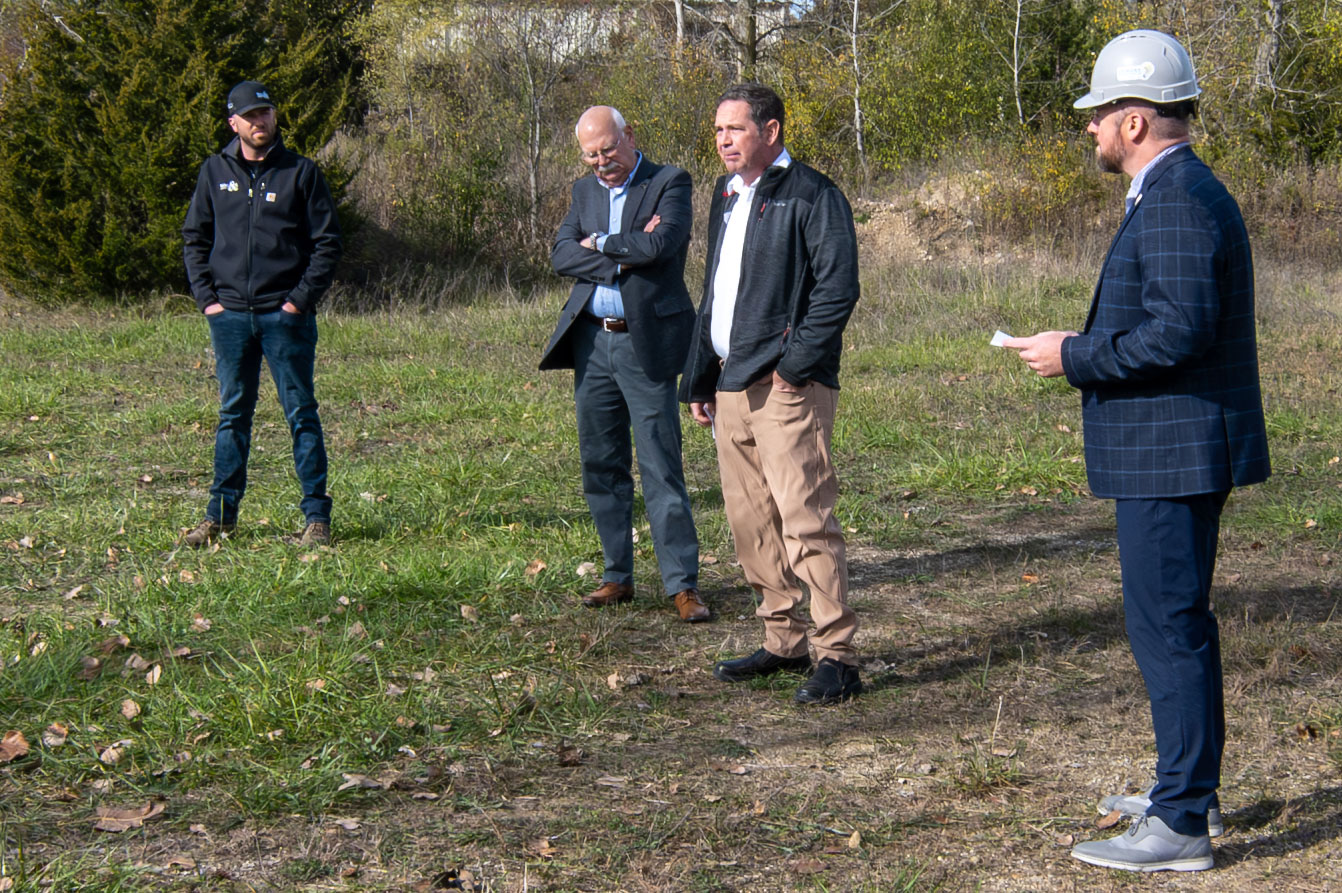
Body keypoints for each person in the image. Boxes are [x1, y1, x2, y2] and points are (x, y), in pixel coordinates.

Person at [1004, 30, 1269, 872]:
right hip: (1174, 445)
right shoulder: (1176, 189)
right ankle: (1188, 790)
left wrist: (1076, 354)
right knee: (1175, 622)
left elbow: (1180, 331)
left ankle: (1182, 821)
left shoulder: (1179, 197)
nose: (1089, 127)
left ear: (1135, 120)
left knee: (1168, 627)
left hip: (1173, 450)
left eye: (1098, 113)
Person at [681, 83, 862, 704]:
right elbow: (715, 292)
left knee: (806, 522)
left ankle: (837, 657)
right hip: (730, 382)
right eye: (718, 130)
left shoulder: (814, 194)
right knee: (751, 522)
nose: (723, 141)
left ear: (771, 131)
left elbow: (837, 289)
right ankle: (783, 640)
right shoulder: (726, 194)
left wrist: (794, 367)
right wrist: (700, 377)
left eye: (735, 129)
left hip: (788, 387)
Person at [541, 106, 707, 623]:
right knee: (602, 463)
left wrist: (599, 243)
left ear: (629, 136)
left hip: (645, 344)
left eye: (608, 150)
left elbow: (661, 245)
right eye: (590, 155)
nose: (601, 163)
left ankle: (682, 585)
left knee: (660, 464)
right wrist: (623, 255)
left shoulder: (669, 182)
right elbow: (561, 254)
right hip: (592, 343)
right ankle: (617, 575)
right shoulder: (583, 192)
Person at [181, 80, 342, 548]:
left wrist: (298, 301)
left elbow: (328, 244)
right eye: (250, 116)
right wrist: (208, 301)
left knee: (301, 413)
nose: (260, 122)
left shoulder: (301, 173)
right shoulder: (214, 172)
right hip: (230, 317)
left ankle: (317, 519)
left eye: (265, 113)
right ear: (233, 122)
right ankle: (220, 518)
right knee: (233, 414)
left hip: (284, 318)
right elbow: (195, 238)